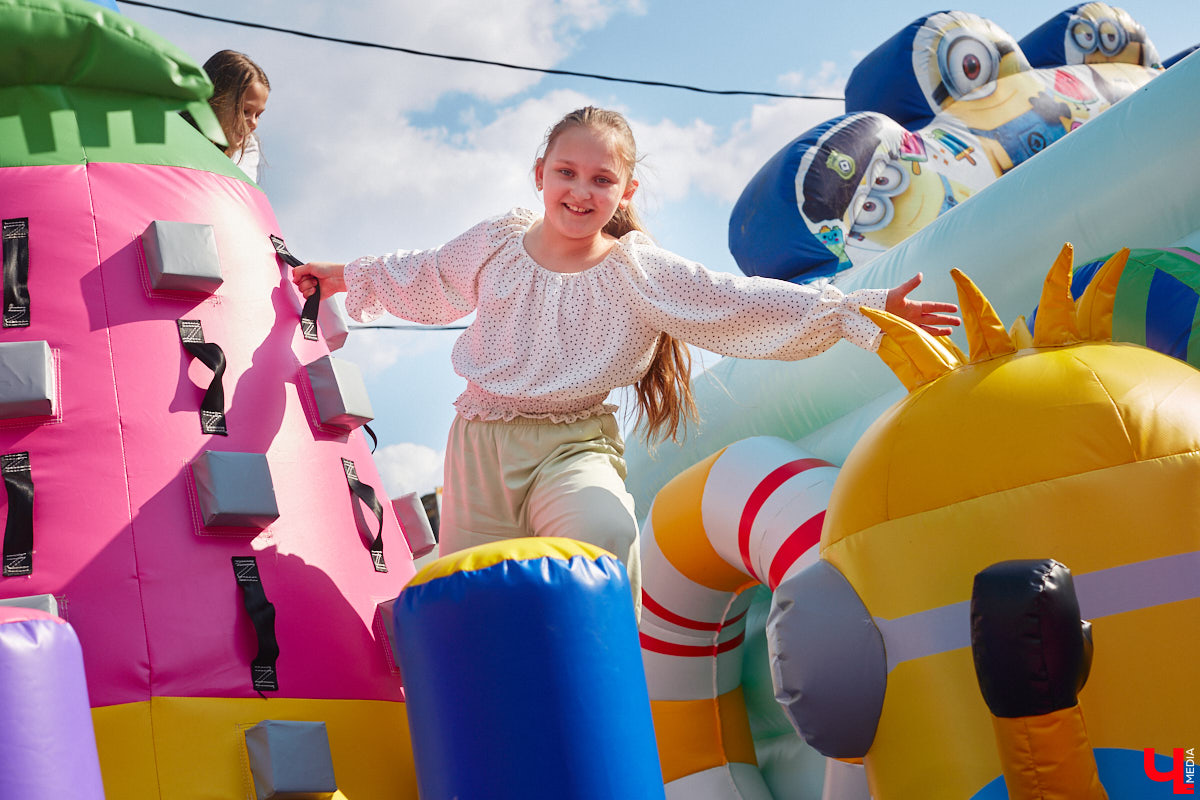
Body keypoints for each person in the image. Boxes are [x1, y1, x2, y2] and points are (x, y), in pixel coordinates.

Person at [292, 106, 959, 616]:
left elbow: (735, 301)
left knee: (603, 528)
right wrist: (345, 275)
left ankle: (608, 689)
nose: (581, 192)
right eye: (567, 173)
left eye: (601, 180)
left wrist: (855, 312)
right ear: (541, 175)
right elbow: (430, 276)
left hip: (570, 443)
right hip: (480, 447)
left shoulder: (635, 273)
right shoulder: (499, 239)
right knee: (477, 596)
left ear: (626, 191)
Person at [194, 50, 269, 182]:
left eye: (258, 115)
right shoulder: (176, 134)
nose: (253, 123)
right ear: (217, 100)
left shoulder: (247, 150)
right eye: (245, 111)